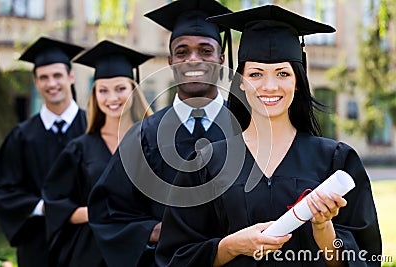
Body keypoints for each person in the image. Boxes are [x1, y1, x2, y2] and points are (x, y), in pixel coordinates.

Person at [156, 5, 382, 267]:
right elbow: (175, 257)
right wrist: (229, 246)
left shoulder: (335, 161)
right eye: (255, 74)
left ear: (298, 80)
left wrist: (323, 229)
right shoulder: (206, 162)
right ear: (240, 80)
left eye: (283, 74)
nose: (270, 86)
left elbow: (366, 259)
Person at [87, 0, 234, 266]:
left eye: (205, 50)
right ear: (170, 62)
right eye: (182, 52)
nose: (193, 60)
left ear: (221, 60)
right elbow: (109, 212)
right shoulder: (142, 136)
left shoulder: (245, 129)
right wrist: (160, 232)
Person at [42, 40, 153, 267]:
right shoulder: (80, 148)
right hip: (91, 252)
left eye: (120, 89)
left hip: (145, 252)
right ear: (95, 95)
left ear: (133, 90)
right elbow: (56, 204)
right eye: (103, 90)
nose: (112, 98)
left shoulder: (154, 143)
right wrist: (100, 216)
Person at [0, 37, 86, 267]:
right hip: (38, 245)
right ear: (36, 82)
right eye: (44, 77)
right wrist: (44, 207)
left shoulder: (94, 128)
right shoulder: (21, 136)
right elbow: (4, 190)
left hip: (87, 242)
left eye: (57, 75)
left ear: (71, 77)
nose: (51, 83)